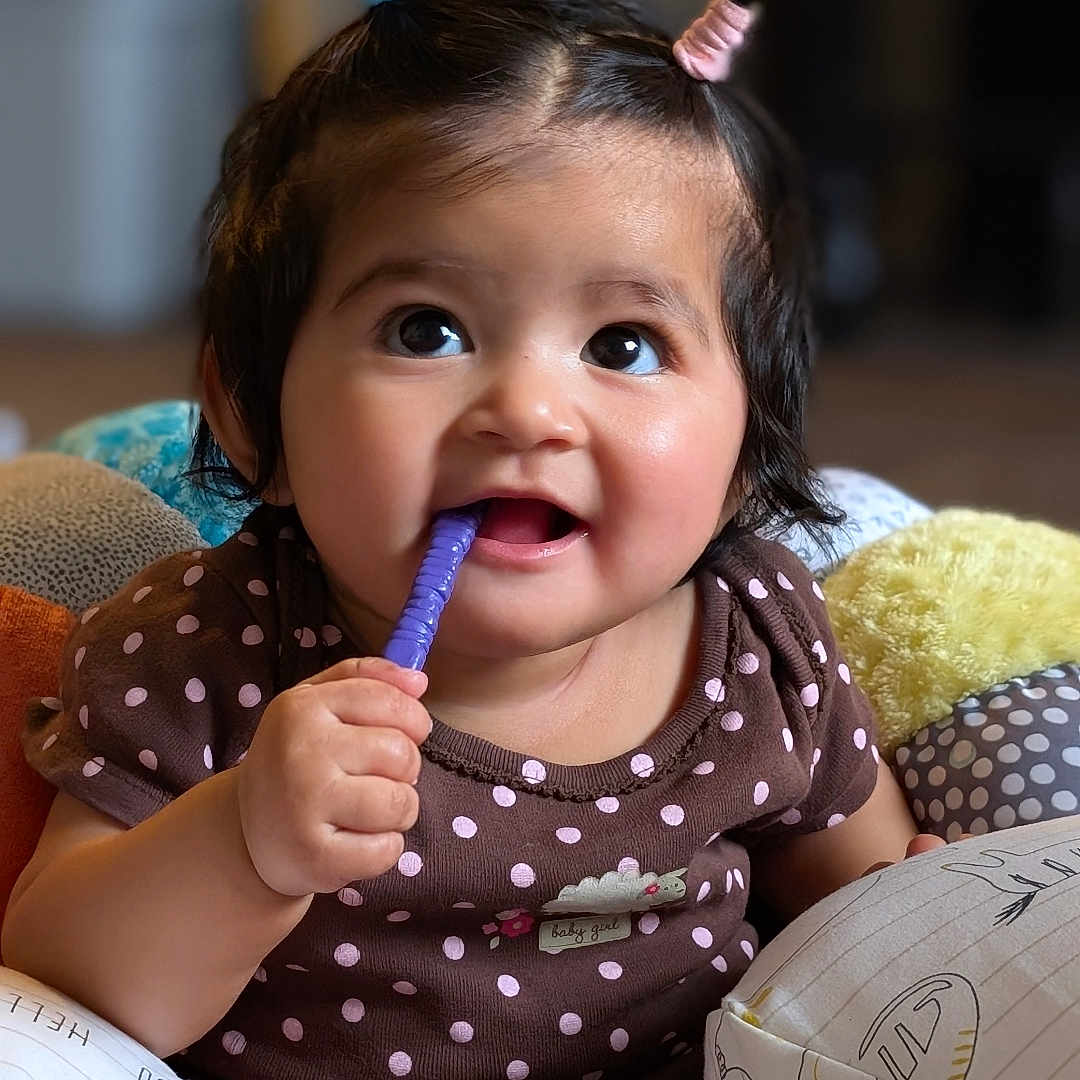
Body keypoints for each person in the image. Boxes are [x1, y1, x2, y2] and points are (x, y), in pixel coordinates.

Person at [2, 2, 936, 1076]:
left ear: (744, 453)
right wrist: (244, 841)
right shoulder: (208, 648)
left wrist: (942, 922)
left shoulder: (758, 648)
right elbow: (56, 995)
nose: (529, 410)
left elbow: (867, 914)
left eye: (624, 344)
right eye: (425, 330)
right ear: (253, 418)